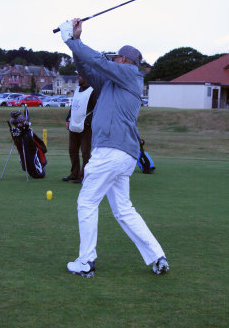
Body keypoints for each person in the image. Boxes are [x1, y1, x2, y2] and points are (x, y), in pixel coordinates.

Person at [58, 18, 169, 277]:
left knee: (86, 202)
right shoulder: (110, 82)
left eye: (116, 57)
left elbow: (98, 61)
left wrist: (72, 41)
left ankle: (86, 262)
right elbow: (87, 66)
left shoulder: (130, 75)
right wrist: (74, 43)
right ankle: (157, 256)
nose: (113, 59)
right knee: (123, 210)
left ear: (124, 61)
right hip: (121, 155)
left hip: (111, 151)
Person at [62, 74, 99, 183]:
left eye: (80, 75)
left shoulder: (93, 91)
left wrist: (88, 122)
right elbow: (74, 106)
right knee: (72, 151)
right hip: (74, 124)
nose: (78, 77)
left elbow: (96, 108)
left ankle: (83, 175)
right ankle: (74, 174)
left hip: (86, 127)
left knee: (85, 153)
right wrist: (68, 119)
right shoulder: (77, 89)